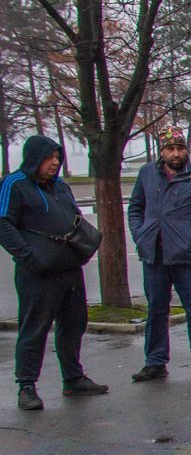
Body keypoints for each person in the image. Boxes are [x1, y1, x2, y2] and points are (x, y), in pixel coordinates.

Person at [0, 136, 109, 410]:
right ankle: (26, 386)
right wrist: (29, 256)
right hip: (37, 274)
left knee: (74, 325)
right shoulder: (15, 185)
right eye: (50, 158)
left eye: (57, 158)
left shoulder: (61, 186)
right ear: (34, 158)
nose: (55, 163)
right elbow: (4, 224)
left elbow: (73, 217)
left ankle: (73, 379)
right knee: (34, 329)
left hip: (70, 269)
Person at [127, 125, 191, 382]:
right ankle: (155, 361)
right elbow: (135, 207)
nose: (176, 154)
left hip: (187, 256)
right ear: (162, 151)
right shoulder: (147, 174)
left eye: (180, 148)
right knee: (156, 309)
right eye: (171, 149)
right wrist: (140, 234)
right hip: (154, 255)